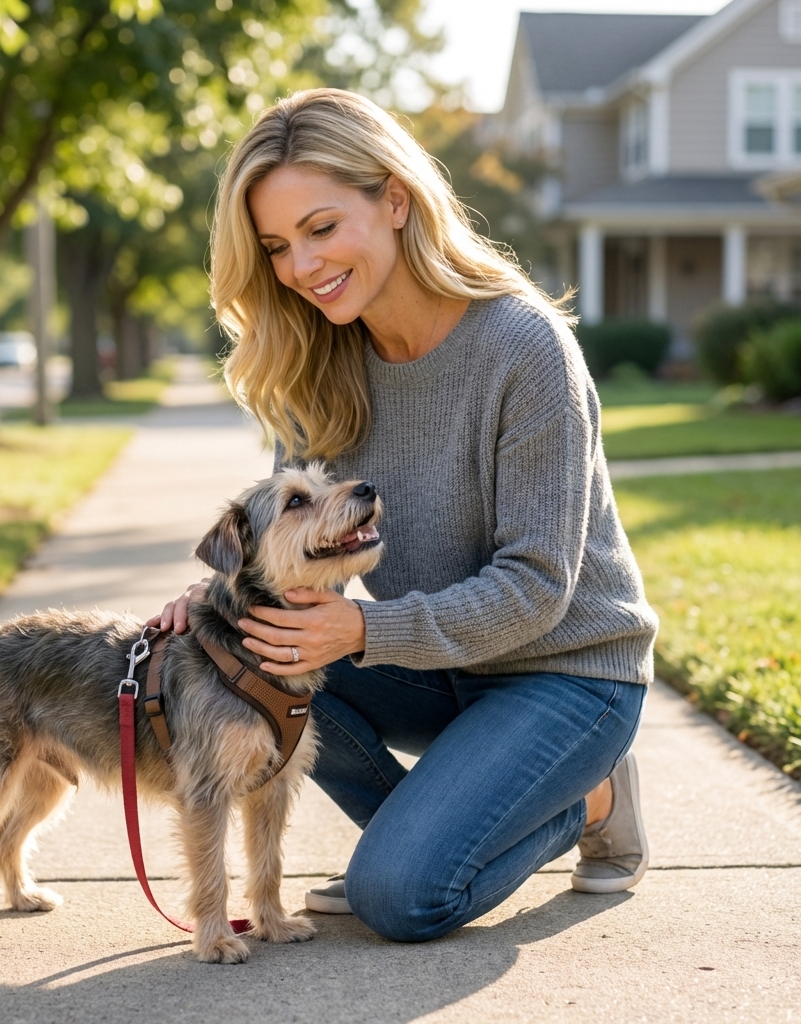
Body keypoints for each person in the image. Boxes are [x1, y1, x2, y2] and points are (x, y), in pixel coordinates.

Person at [151, 88, 658, 943]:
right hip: (442, 662)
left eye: (320, 229)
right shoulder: (316, 363)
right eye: (276, 247)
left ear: (394, 199)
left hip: (567, 673)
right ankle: (431, 835)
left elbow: (539, 588)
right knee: (244, 659)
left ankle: (591, 793)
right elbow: (290, 558)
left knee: (400, 899)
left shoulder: (524, 348)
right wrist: (208, 611)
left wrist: (360, 634)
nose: (301, 267)